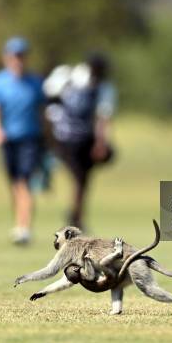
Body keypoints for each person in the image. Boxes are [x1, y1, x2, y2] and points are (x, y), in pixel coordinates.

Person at [0, 36, 45, 245]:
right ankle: (20, 223)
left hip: (31, 138)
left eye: (21, 56)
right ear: (6, 57)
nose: (18, 60)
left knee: (24, 181)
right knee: (14, 183)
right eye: (14, 56)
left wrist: (50, 138)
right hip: (8, 139)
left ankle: (24, 227)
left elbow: (43, 112)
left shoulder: (36, 82)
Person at [43, 52, 117, 229]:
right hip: (64, 138)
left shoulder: (103, 89)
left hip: (85, 140)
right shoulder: (67, 78)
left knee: (83, 180)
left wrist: (100, 143)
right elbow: (47, 101)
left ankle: (76, 215)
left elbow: (103, 117)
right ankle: (75, 216)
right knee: (79, 178)